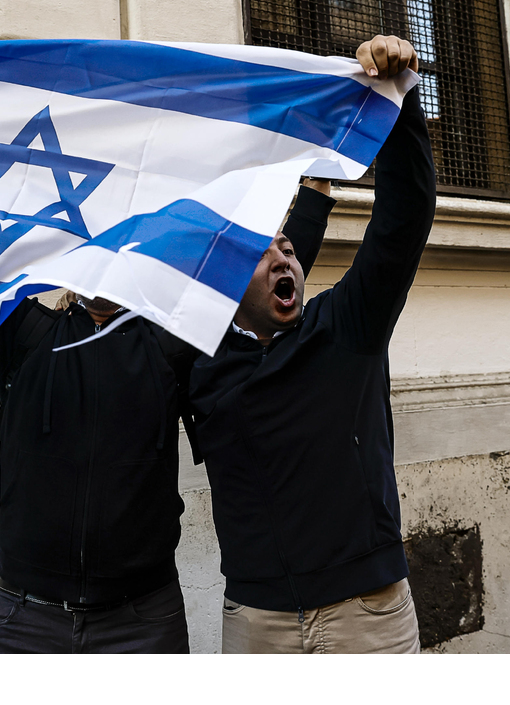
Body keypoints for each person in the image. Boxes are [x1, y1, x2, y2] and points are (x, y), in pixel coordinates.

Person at [0, 59, 329, 653]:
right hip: (25, 620)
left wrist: (316, 178)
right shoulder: (23, 337)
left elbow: (260, 278)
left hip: (143, 622)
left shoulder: (169, 342)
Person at [187, 35, 436, 653]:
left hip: (368, 618)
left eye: (290, 251)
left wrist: (398, 97)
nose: (286, 258)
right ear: (225, 281)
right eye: (264, 253)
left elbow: (404, 217)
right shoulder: (198, 359)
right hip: (256, 625)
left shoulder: (346, 326)